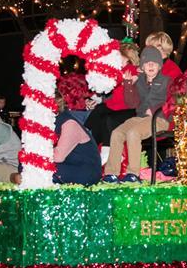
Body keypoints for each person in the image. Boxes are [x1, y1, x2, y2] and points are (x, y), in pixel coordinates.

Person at [103, 46, 171, 183]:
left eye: (154, 63)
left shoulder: (167, 81)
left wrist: (154, 109)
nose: (150, 65)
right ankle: (111, 173)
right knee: (117, 133)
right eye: (147, 63)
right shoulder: (140, 81)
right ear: (143, 67)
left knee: (133, 133)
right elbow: (132, 104)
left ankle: (133, 174)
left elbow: (173, 102)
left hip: (160, 119)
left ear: (159, 66)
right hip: (141, 119)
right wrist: (128, 85)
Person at [85, 44, 138, 146]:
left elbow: (133, 78)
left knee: (104, 116)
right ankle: (88, 136)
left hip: (122, 107)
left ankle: (91, 139)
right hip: (113, 105)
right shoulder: (117, 70)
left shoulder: (130, 68)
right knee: (99, 111)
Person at [53, 93, 101, 186]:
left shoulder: (69, 123)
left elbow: (58, 157)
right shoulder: (51, 123)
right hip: (69, 164)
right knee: (28, 167)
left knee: (41, 169)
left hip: (86, 170)